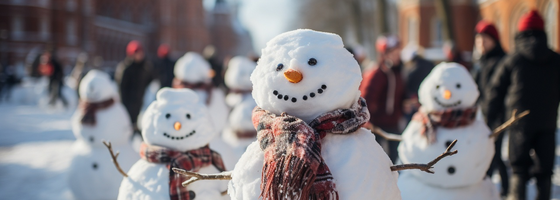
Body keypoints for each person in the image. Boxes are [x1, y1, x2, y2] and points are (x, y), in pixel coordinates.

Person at [486, 10, 560, 200]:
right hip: (547, 124)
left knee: (519, 170)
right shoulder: (556, 60)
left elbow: (495, 91)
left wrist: (487, 119)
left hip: (519, 125)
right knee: (545, 172)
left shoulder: (513, 60)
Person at [472, 20, 509, 197]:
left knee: (493, 151)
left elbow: (499, 91)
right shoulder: (481, 62)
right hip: (484, 113)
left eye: (485, 40)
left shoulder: (502, 60)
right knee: (491, 151)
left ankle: (490, 187)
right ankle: (502, 186)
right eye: (479, 40)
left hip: (499, 113)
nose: (481, 44)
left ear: (494, 40)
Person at [360, 36, 405, 163]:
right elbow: (366, 97)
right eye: (394, 53)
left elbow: (400, 93)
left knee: (394, 156)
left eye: (398, 53)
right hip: (377, 123)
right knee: (377, 157)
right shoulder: (377, 73)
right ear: (385, 55)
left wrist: (406, 101)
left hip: (393, 121)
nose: (397, 56)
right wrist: (366, 118)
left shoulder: (398, 72)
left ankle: (392, 180)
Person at [114, 40, 154, 132]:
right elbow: (121, 86)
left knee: (136, 119)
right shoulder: (126, 68)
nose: (139, 56)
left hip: (139, 100)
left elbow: (149, 79)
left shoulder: (144, 67)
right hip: (128, 101)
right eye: (137, 53)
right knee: (128, 121)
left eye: (141, 53)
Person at [401, 44, 434, 123]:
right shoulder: (430, 65)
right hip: (428, 99)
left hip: (414, 101)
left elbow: (406, 84)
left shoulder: (411, 68)